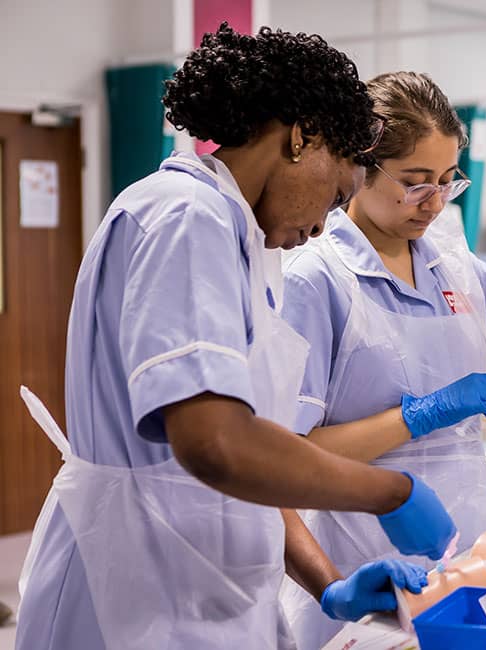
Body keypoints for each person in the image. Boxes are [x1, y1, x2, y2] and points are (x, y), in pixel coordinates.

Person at [15, 26, 455, 650]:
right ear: (301, 137)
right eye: (335, 195)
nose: (322, 224)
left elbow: (257, 447)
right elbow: (216, 444)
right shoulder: (183, 216)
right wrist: (390, 492)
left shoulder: (239, 237)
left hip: (203, 582)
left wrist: (327, 584)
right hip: (134, 592)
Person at [280, 71, 486, 646]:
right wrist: (418, 415)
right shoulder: (316, 279)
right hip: (362, 560)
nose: (433, 201)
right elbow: (286, 457)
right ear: (360, 168)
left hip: (472, 550)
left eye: (446, 181)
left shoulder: (457, 268)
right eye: (414, 182)